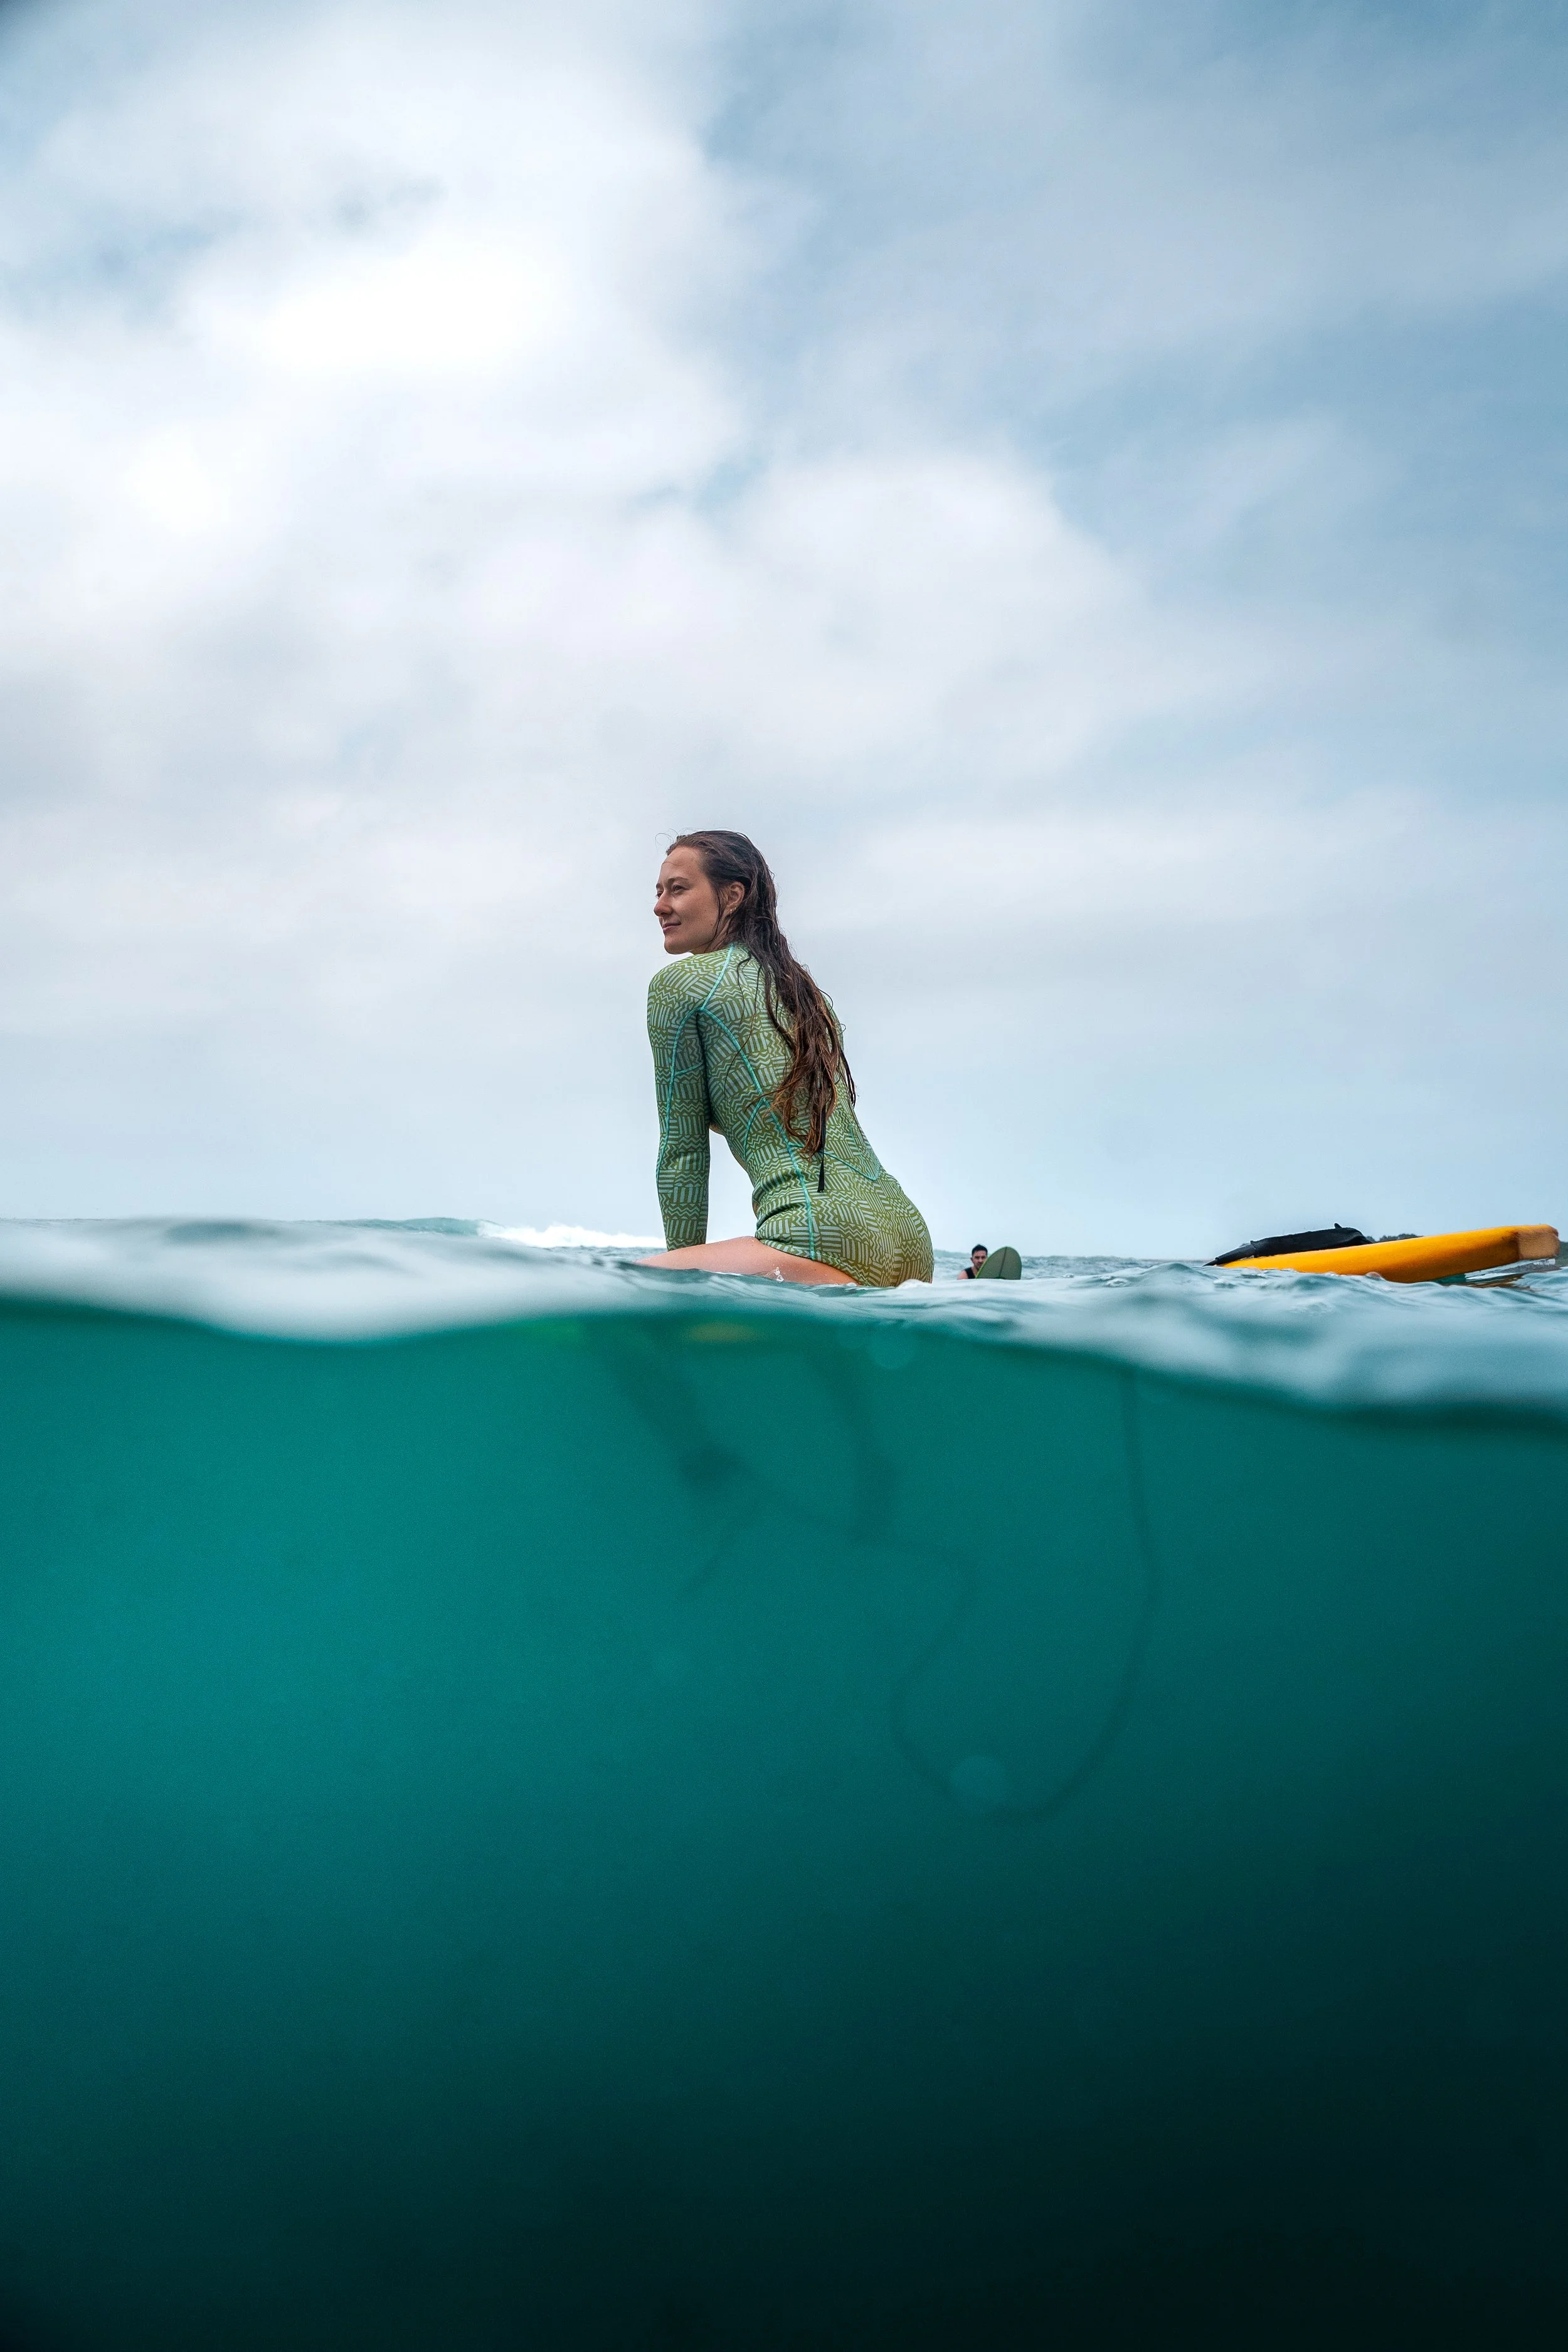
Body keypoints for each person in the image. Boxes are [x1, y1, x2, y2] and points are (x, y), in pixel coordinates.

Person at [640, 831, 933, 1286]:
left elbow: (683, 1154)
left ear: (733, 895)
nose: (660, 906)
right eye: (658, 891)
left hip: (817, 1233)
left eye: (677, 889)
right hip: (908, 1235)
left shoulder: (682, 985)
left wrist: (677, 1294)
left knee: (633, 1284)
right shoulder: (804, 994)